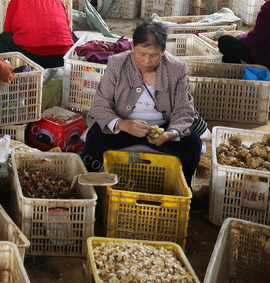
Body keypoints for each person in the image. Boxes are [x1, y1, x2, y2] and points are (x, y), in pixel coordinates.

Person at [81, 21, 204, 185]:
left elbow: (184, 110)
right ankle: (91, 185)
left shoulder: (176, 69)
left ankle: (184, 188)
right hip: (123, 127)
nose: (147, 61)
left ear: (163, 51)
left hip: (162, 129)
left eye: (154, 55)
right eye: (141, 54)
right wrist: (122, 124)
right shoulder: (117, 64)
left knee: (193, 144)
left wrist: (171, 132)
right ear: (132, 47)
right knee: (95, 136)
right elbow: (99, 105)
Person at [0, 0, 73, 69]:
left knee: (4, 38)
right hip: (62, 56)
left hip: (32, 56)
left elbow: (8, 29)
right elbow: (67, 24)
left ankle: (3, 71)